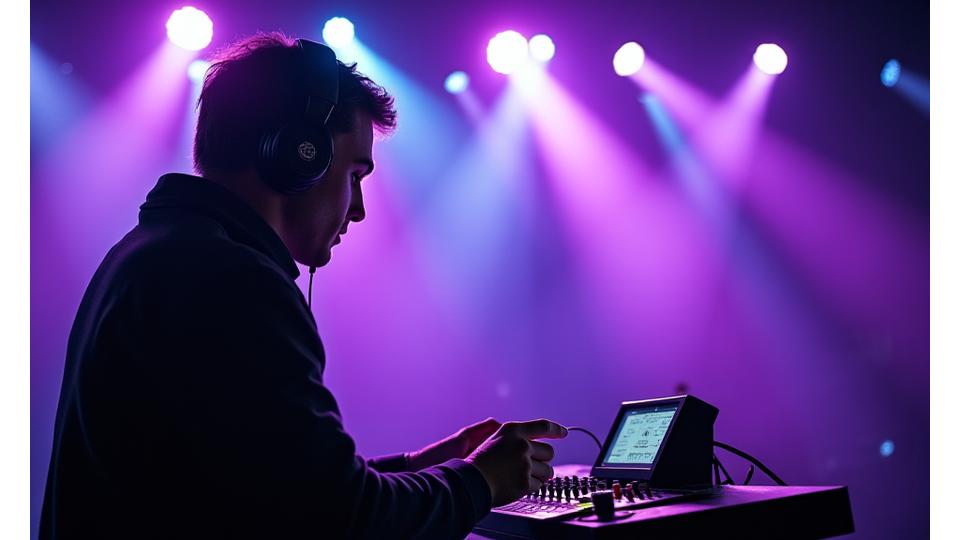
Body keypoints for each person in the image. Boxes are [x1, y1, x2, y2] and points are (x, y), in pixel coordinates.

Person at [40, 32, 566, 539]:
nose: (357, 209)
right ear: (300, 155)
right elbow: (338, 521)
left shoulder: (158, 254)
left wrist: (422, 468)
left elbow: (272, 491)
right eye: (355, 174)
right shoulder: (231, 281)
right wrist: (480, 481)